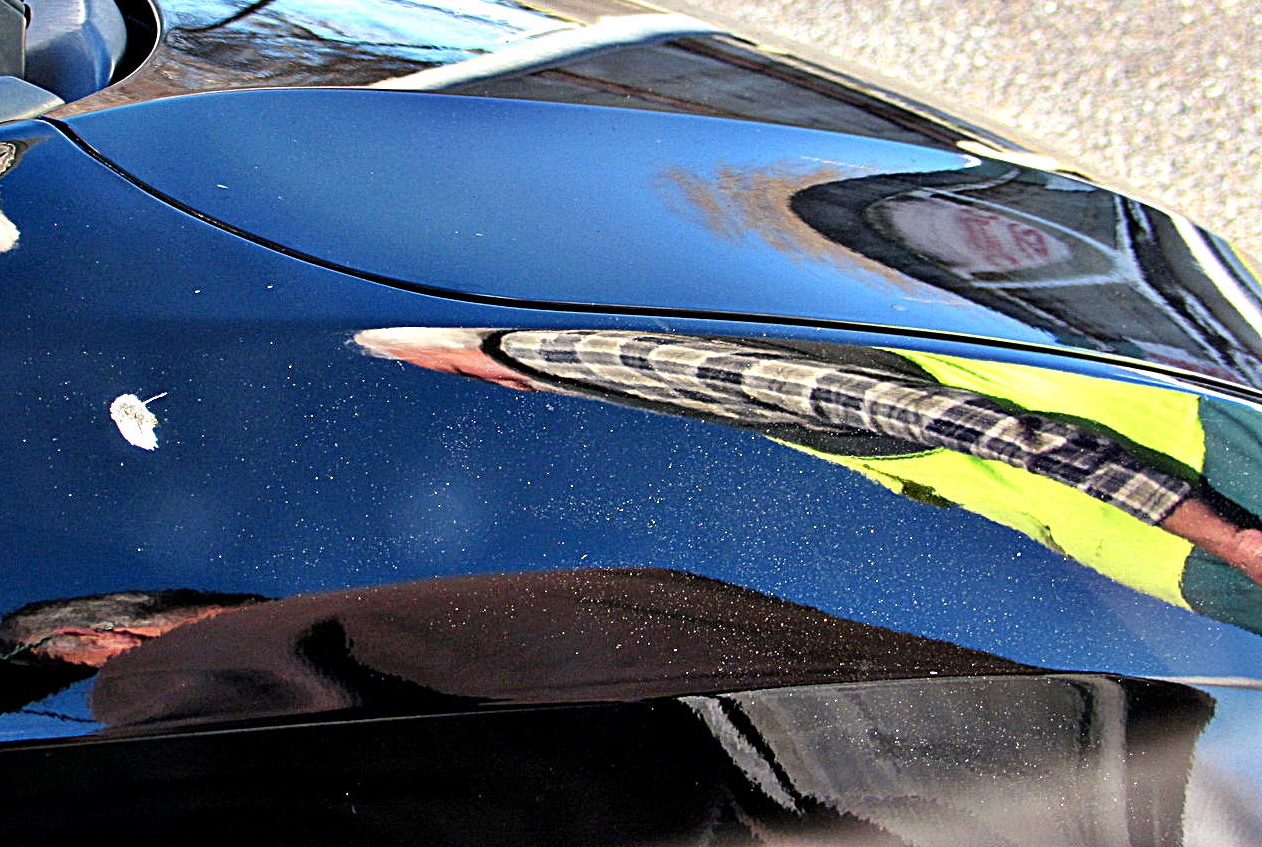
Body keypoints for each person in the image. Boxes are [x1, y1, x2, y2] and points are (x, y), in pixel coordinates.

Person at [355, 327, 1262, 624]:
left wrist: (1229, 538)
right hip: (1179, 503)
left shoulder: (606, 362)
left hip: (1198, 494)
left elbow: (958, 425)